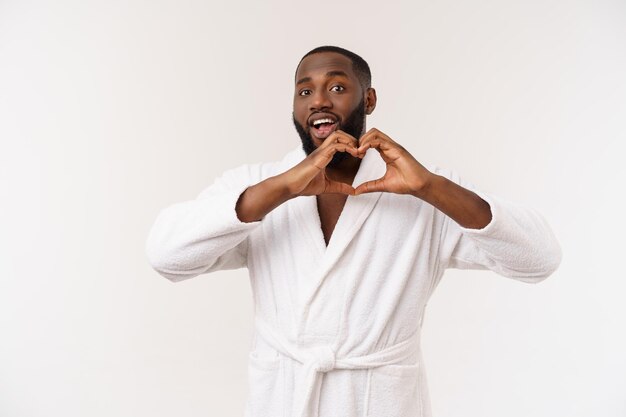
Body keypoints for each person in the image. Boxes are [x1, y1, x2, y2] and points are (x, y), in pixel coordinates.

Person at [145, 45, 562, 417]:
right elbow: (167, 256)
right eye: (304, 91)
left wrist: (430, 187)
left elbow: (540, 259)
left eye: (337, 88)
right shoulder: (260, 185)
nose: (319, 101)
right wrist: (283, 188)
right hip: (284, 398)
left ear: (369, 98)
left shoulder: (423, 190)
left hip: (380, 400)